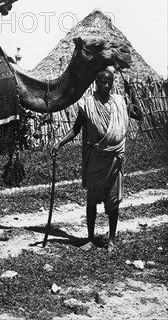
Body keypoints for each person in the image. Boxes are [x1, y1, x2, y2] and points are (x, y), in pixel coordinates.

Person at [51, 70, 143, 253]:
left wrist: (131, 91)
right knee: (91, 200)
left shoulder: (120, 102)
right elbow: (75, 129)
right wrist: (59, 143)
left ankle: (111, 241)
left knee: (113, 201)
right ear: (96, 82)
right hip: (96, 158)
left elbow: (139, 115)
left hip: (114, 160)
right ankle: (90, 238)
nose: (106, 86)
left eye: (109, 82)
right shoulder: (88, 105)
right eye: (102, 82)